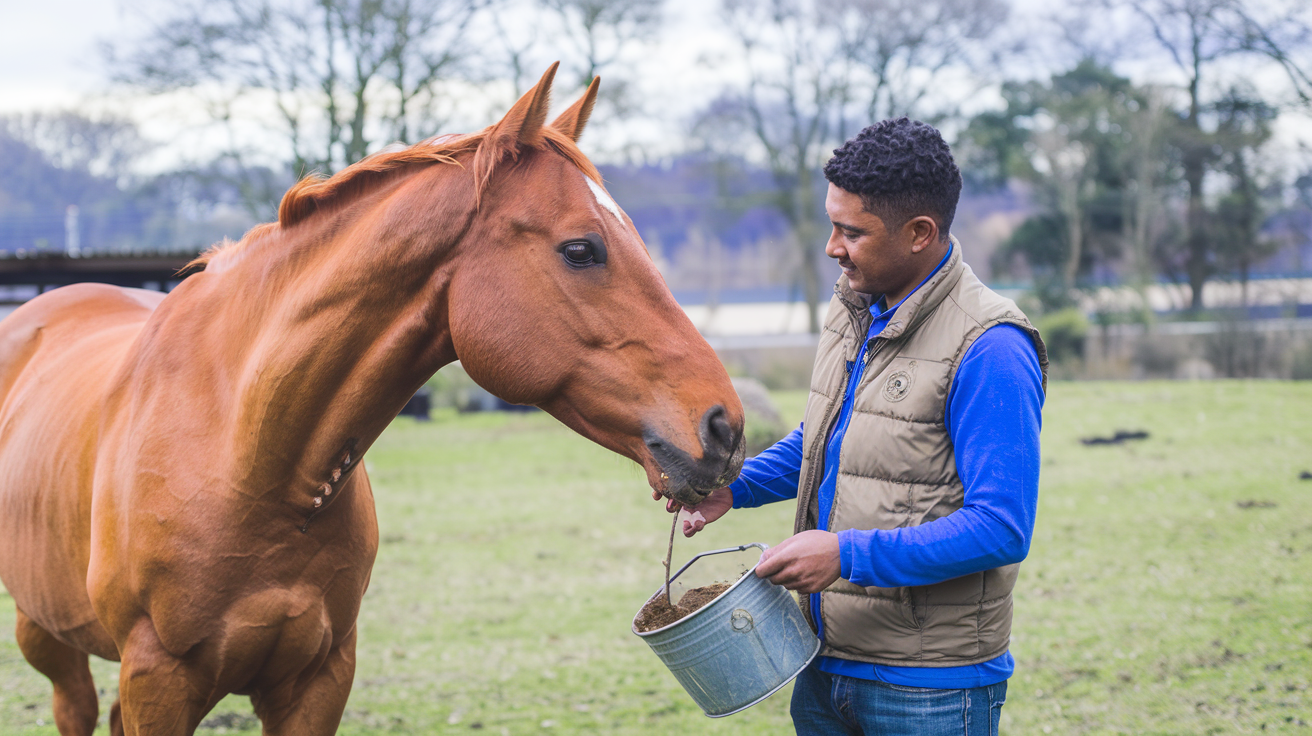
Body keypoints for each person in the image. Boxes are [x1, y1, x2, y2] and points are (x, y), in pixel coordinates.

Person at [658, 117, 1048, 735]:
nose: (832, 247)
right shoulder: (855, 310)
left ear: (920, 233)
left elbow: (1001, 528)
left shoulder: (990, 346)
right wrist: (736, 486)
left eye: (851, 231)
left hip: (929, 689)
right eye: (830, 223)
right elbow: (825, 440)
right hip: (820, 664)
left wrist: (845, 554)